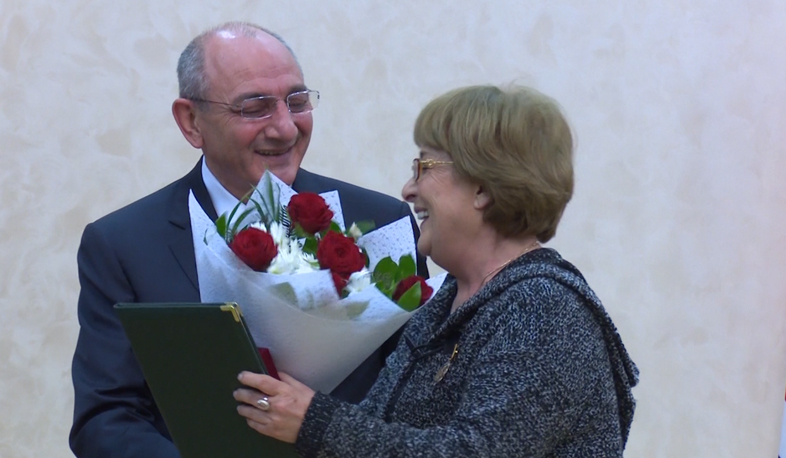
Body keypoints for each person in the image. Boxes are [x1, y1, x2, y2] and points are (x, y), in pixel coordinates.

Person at [69, 22, 425, 458]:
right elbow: (106, 419)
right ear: (191, 121)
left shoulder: (380, 223)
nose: (286, 129)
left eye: (296, 101)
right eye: (255, 107)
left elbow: (420, 398)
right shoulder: (124, 244)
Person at [234, 84, 640, 457]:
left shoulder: (544, 310)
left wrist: (315, 422)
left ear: (483, 186)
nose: (408, 190)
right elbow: (376, 430)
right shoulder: (445, 304)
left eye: (424, 167)